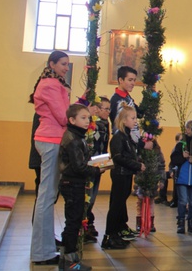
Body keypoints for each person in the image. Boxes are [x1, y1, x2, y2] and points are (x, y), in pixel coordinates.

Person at [30, 50, 72, 265]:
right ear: (52, 64)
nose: (66, 67)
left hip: (52, 139)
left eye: (67, 64)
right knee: (46, 197)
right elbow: (63, 116)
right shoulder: (50, 84)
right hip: (50, 140)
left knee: (48, 195)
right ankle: (41, 252)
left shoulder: (54, 84)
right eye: (63, 64)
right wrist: (82, 113)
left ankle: (44, 249)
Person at [59, 104, 104, 270]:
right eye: (83, 118)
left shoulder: (78, 136)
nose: (87, 121)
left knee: (74, 220)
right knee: (73, 222)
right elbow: (78, 166)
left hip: (74, 182)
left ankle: (67, 259)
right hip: (72, 183)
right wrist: (97, 170)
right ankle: (70, 262)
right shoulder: (73, 139)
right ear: (72, 120)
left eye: (88, 118)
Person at [102, 105, 145, 250]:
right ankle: (109, 236)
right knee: (116, 205)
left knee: (120, 205)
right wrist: (136, 165)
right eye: (132, 118)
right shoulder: (118, 137)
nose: (135, 121)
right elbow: (118, 157)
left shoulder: (127, 136)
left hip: (126, 174)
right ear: (123, 120)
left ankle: (117, 233)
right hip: (120, 174)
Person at [85, 97, 111, 242]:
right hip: (91, 163)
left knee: (93, 195)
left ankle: (89, 222)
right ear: (97, 109)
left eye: (109, 109)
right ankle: (85, 225)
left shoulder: (106, 123)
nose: (108, 111)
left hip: (99, 162)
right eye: (105, 108)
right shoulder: (93, 124)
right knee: (89, 194)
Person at [170, 120, 192, 234]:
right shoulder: (180, 145)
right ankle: (181, 223)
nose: (188, 131)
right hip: (182, 178)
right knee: (183, 201)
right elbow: (174, 160)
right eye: (187, 128)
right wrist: (183, 157)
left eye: (190, 129)